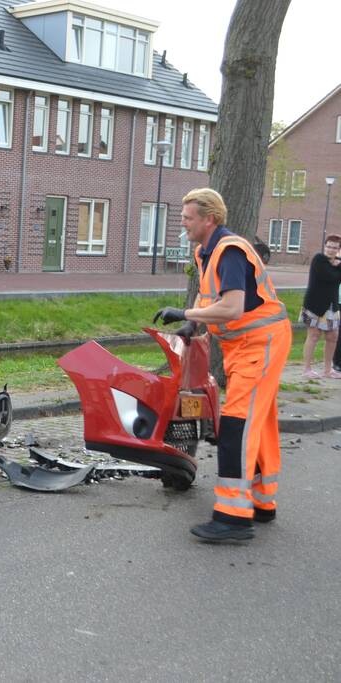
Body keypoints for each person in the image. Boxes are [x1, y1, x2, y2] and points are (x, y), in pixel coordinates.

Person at [153, 188, 291, 543]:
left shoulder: (230, 251)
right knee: (258, 423)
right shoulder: (206, 252)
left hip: (261, 344)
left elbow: (231, 307)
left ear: (208, 219)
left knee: (236, 426)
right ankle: (262, 502)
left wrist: (185, 313)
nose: (182, 223)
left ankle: (233, 517)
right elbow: (209, 297)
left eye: (187, 217)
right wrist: (194, 324)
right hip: (249, 346)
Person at [299, 234, 341, 379]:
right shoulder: (319, 259)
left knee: (333, 336)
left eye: (335, 248)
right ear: (325, 246)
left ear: (338, 250)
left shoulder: (337, 262)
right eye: (329, 246)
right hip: (315, 305)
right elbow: (331, 277)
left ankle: (328, 370)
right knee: (314, 335)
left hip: (332, 306)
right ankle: (306, 369)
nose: (331, 250)